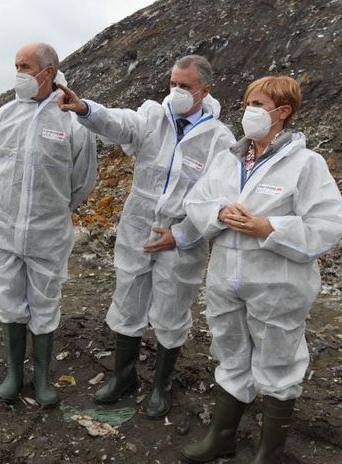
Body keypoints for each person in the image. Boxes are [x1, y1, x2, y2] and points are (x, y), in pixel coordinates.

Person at [179, 76, 342, 463]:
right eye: (247, 103)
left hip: (277, 284)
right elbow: (197, 201)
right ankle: (222, 437)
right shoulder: (228, 159)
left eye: (257, 105)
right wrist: (219, 212)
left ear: (283, 111)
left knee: (279, 362)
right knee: (231, 354)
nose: (248, 111)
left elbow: (329, 225)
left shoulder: (306, 164)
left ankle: (269, 453)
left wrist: (269, 228)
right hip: (225, 276)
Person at [57, 55, 235, 418]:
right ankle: (124, 377)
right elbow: (120, 123)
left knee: (172, 307)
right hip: (139, 226)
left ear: (204, 90)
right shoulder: (154, 117)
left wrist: (181, 235)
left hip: (182, 236)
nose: (176, 91)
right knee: (128, 298)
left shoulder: (219, 139)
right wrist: (86, 109)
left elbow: (219, 198)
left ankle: (161, 385)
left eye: (185, 86)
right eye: (173, 84)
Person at [0, 42, 97, 407]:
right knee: (8, 297)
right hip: (4, 226)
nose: (18, 73)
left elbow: (82, 182)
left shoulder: (71, 121)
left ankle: (43, 376)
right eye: (16, 65)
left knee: (45, 300)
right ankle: (14, 374)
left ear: (47, 73)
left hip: (47, 232)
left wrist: (51, 210)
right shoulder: (4, 116)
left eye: (25, 67)